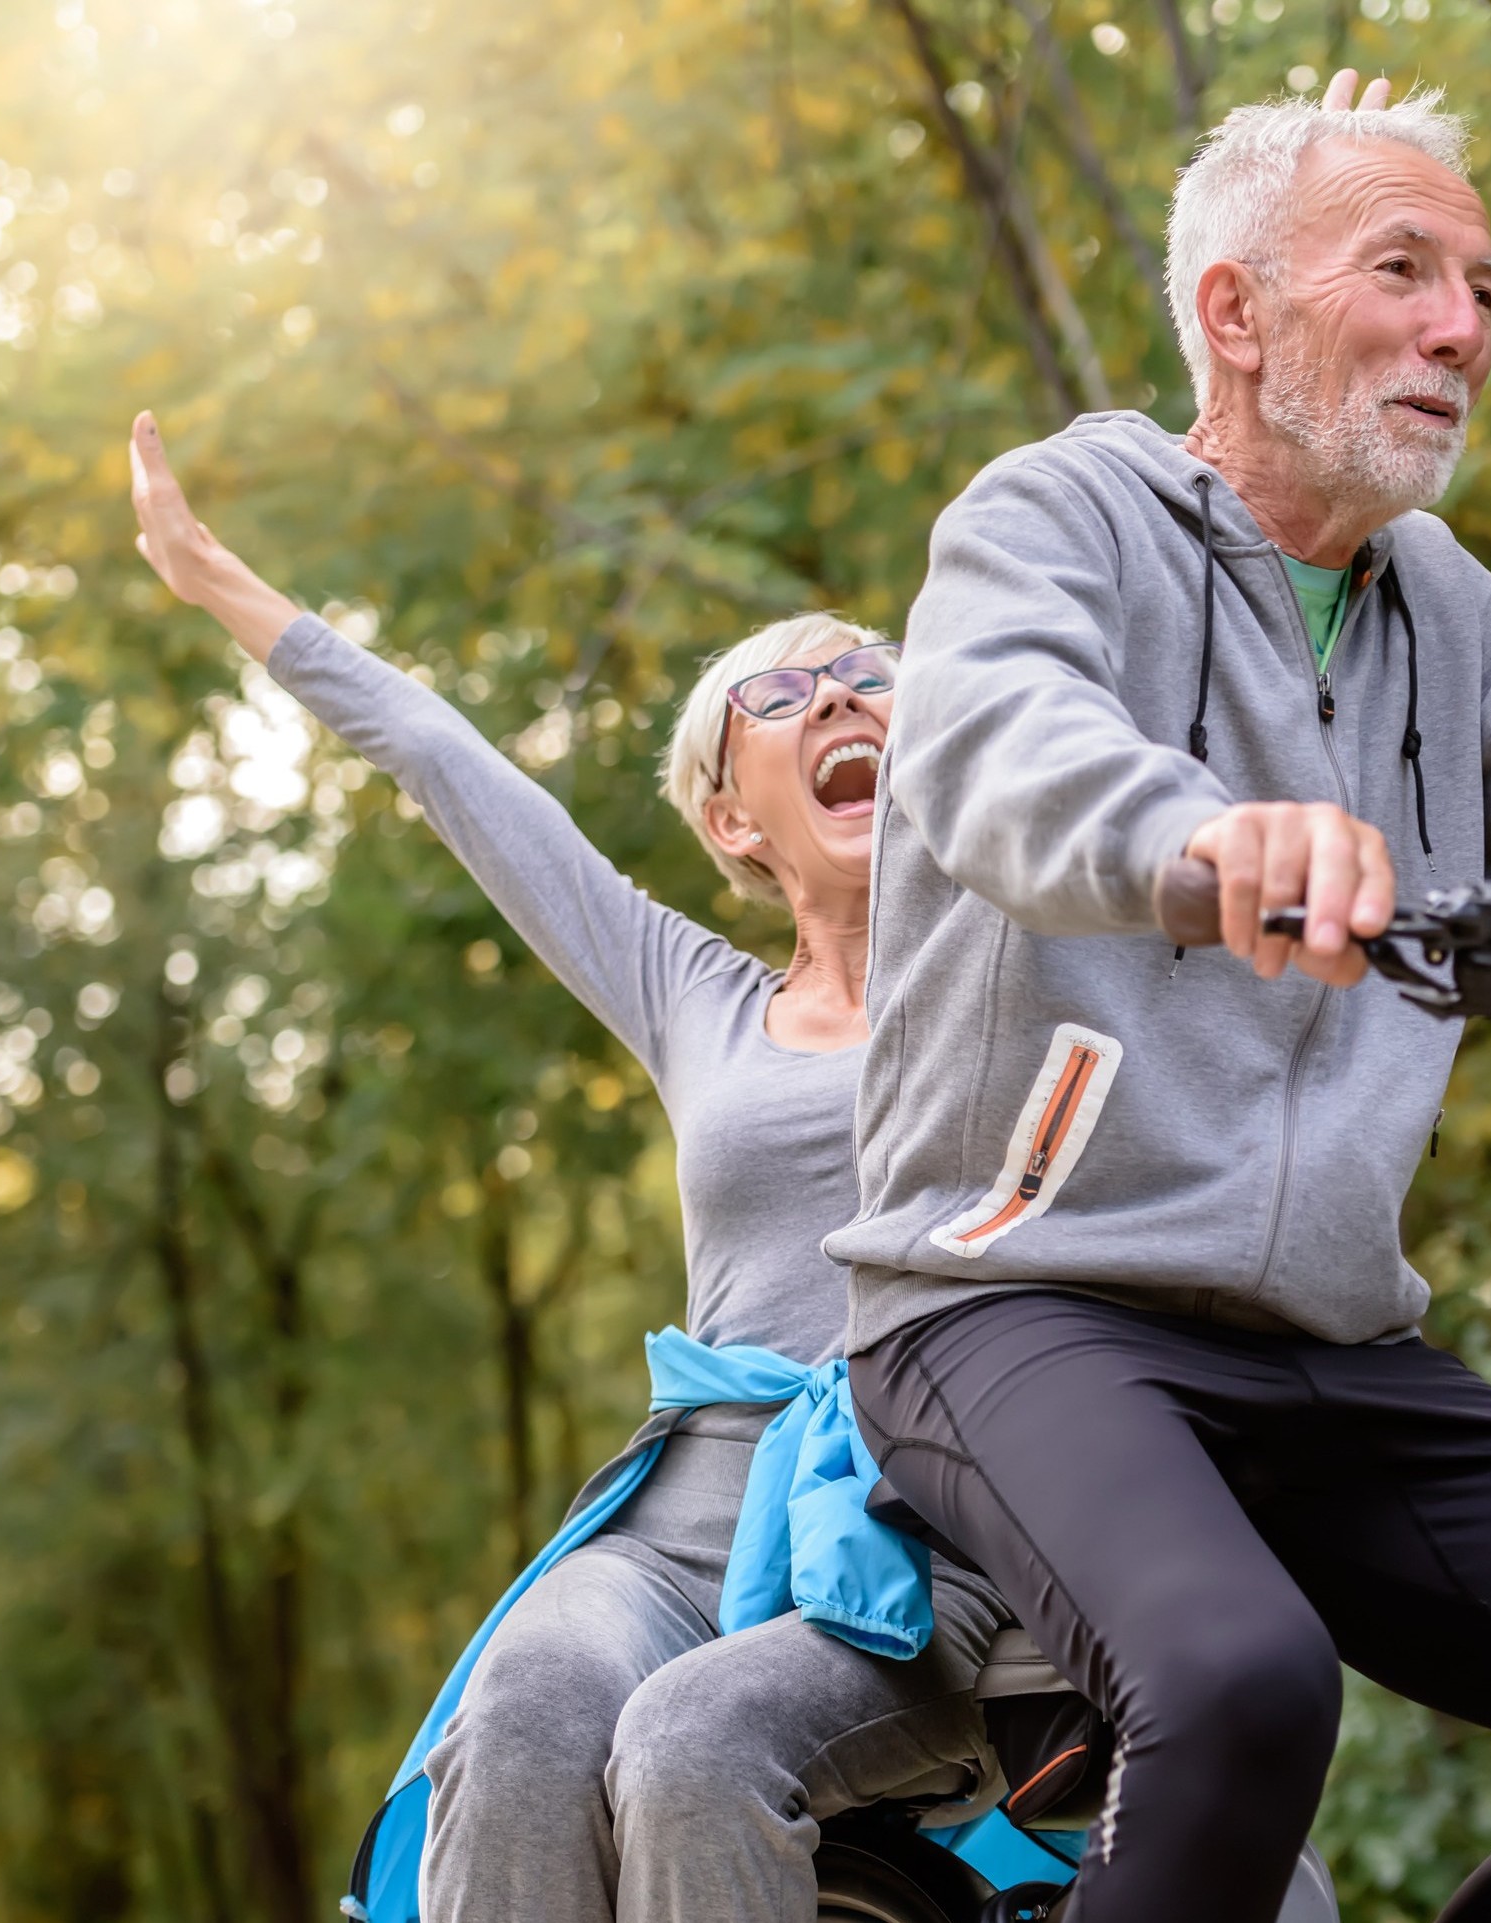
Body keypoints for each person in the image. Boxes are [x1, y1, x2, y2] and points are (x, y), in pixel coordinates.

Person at [834, 71, 1491, 1923]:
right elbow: (994, 758)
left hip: (1332, 1341)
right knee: (1239, 1686)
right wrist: (1216, 847)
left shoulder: (1444, 609)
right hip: (1024, 1304)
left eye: (1484, 290)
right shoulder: (1055, 518)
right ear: (1235, 314)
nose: (1463, 327)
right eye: (1402, 268)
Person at [125, 411, 1013, 1923]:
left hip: (935, 1520)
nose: (838, 695)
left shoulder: (1028, 968)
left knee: (689, 1744)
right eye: (780, 693)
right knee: (532, 1691)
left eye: (870, 677)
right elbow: (453, 768)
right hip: (687, 1523)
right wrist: (227, 590)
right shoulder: (693, 997)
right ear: (734, 819)